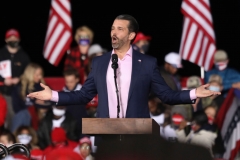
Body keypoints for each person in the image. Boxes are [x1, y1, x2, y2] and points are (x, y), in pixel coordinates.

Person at [27, 14, 220, 121]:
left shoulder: (147, 63)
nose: (114, 32)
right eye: (112, 28)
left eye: (120, 29)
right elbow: (84, 95)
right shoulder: (100, 62)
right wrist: (53, 95)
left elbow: (167, 96)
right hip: (106, 133)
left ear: (131, 36)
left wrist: (194, 93)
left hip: (137, 133)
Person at [0, 28, 30, 130]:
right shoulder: (1, 54)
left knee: (13, 119)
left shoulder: (24, 56)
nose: (13, 41)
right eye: (10, 39)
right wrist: (3, 80)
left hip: (16, 94)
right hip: (1, 93)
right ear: (6, 40)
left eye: (15, 38)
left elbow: (29, 73)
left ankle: (12, 141)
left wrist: (20, 79)